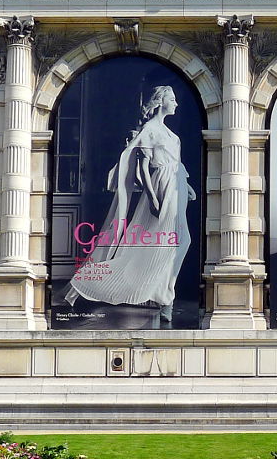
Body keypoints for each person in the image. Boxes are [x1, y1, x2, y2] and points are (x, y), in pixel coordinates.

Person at [65, 84, 195, 327]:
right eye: (172, 99)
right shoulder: (151, 129)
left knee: (180, 241)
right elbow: (143, 168)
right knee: (166, 242)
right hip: (162, 188)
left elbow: (176, 164)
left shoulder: (169, 133)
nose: (176, 103)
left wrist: (185, 184)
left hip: (176, 186)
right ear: (160, 102)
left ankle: (163, 292)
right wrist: (153, 197)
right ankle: (164, 297)